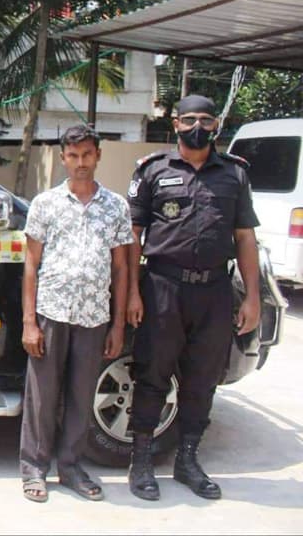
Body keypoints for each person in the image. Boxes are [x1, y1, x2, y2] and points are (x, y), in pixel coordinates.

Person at [126, 95, 261, 501]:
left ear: (217, 124)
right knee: (152, 375)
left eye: (205, 118)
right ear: (176, 124)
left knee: (203, 379)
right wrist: (132, 290)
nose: (197, 126)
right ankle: (142, 461)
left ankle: (187, 460)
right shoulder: (153, 170)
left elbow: (245, 238)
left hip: (215, 291)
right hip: (163, 286)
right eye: (189, 119)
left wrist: (252, 297)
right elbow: (133, 235)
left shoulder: (234, 175)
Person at [19, 124, 133, 503]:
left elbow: (120, 268)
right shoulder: (45, 204)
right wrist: (30, 322)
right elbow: (31, 265)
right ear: (63, 158)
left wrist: (117, 324)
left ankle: (69, 466)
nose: (80, 163)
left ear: (98, 155)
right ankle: (34, 467)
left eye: (87, 155)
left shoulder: (116, 206)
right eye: (73, 156)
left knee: (82, 395)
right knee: (43, 396)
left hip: (94, 316)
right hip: (51, 312)